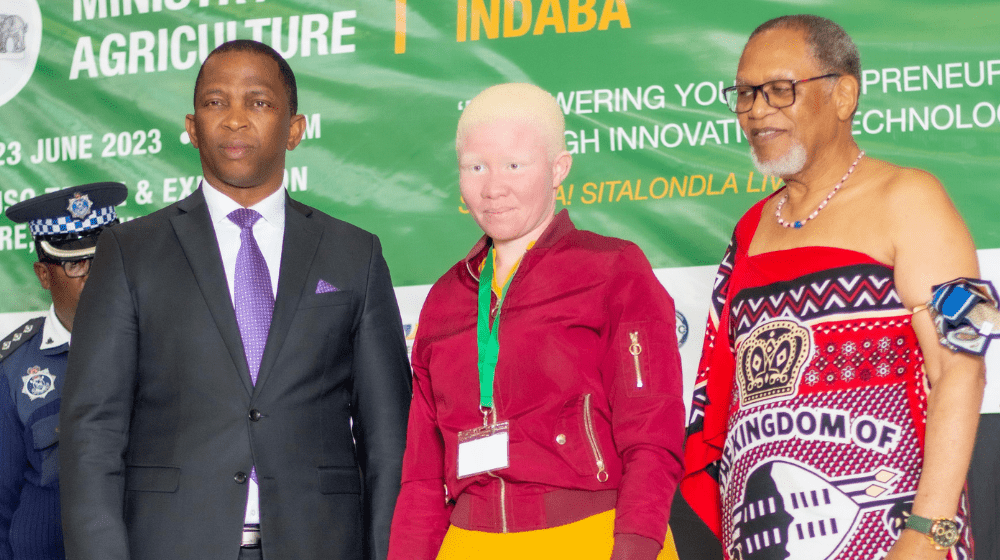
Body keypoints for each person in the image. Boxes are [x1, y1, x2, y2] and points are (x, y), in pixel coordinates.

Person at [59, 40, 411, 560]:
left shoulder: (353, 254)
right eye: (215, 102)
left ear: (295, 129)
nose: (235, 119)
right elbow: (93, 435)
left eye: (259, 102)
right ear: (191, 124)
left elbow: (389, 441)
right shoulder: (130, 252)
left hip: (321, 544)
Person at [681, 15, 983, 560]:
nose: (756, 112)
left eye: (779, 90)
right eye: (746, 94)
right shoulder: (750, 229)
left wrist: (928, 535)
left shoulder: (910, 198)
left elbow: (962, 368)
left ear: (843, 94)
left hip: (895, 542)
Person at [388, 83, 685, 560]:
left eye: (514, 165)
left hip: (591, 535)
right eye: (476, 167)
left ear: (558, 168)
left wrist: (635, 546)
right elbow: (422, 475)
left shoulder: (613, 268)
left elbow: (653, 434)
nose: (493, 187)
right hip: (469, 543)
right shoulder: (444, 299)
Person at [0, 182, 127, 560]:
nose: (92, 273)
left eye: (102, 256)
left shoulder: (165, 348)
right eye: (74, 263)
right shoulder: (14, 370)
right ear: (43, 274)